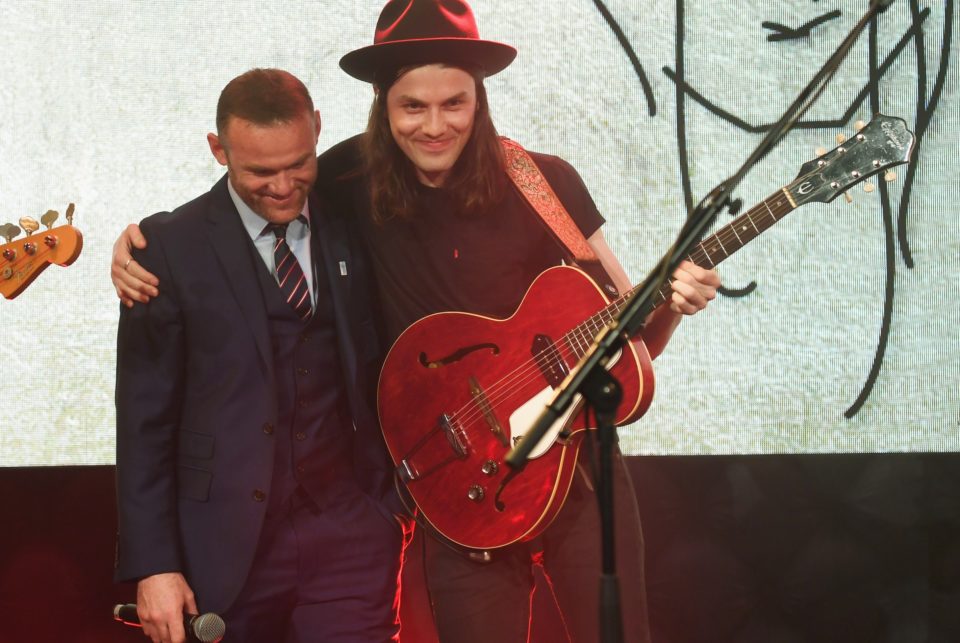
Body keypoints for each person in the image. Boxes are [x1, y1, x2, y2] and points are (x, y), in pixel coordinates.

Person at [112, 2, 721, 641]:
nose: (435, 126)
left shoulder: (548, 182)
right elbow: (243, 207)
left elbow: (630, 337)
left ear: (479, 101)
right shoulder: (342, 180)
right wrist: (135, 249)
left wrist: (674, 307)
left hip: (577, 478)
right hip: (457, 487)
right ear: (382, 104)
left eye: (454, 104)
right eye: (413, 107)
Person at [114, 68, 405, 643]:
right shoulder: (166, 249)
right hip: (221, 551)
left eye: (298, 164)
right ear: (218, 150)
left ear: (318, 130)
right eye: (259, 171)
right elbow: (143, 422)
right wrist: (153, 565)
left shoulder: (355, 218)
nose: (282, 185)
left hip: (349, 534)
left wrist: (385, 511)